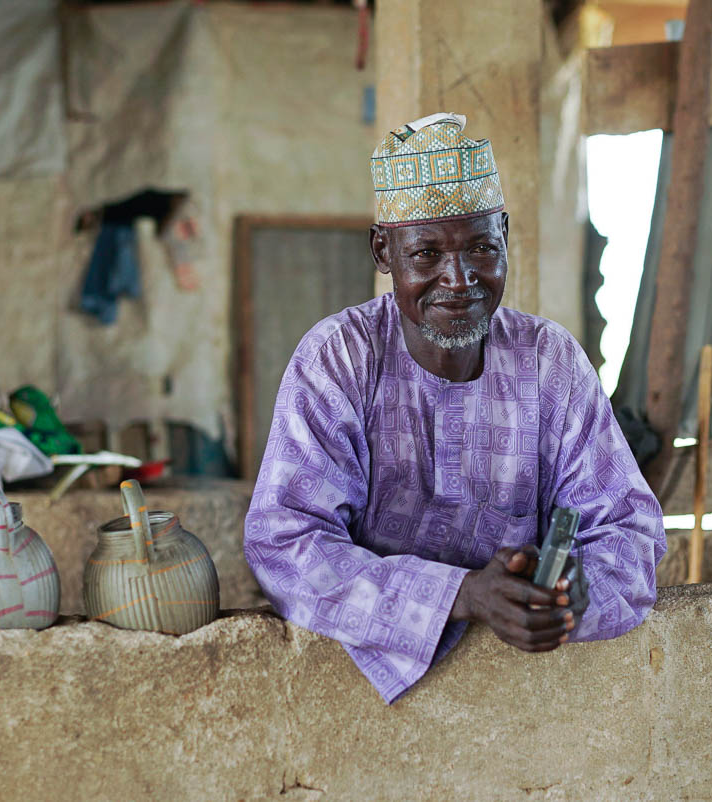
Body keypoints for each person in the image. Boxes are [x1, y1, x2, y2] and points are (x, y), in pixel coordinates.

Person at [243, 113, 666, 704]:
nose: (459, 278)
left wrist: (575, 588)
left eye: (480, 248)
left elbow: (630, 530)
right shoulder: (338, 359)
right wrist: (466, 594)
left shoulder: (551, 361)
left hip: (533, 698)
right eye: (425, 255)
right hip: (351, 705)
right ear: (382, 251)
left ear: (506, 238)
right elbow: (284, 545)